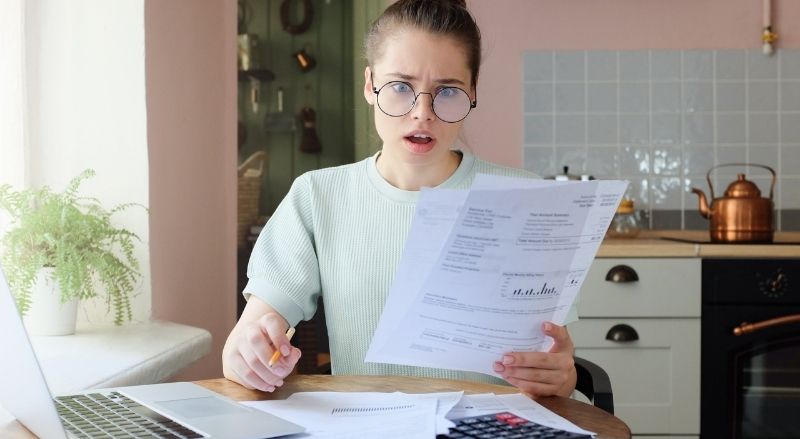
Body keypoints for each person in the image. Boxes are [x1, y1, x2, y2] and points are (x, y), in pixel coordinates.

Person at [222, 0, 578, 399]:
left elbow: (558, 370)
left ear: (473, 91)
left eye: (447, 91)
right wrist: (248, 354)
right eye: (400, 87)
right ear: (369, 84)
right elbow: (246, 342)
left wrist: (561, 377)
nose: (422, 113)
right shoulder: (317, 197)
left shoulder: (526, 200)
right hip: (369, 426)